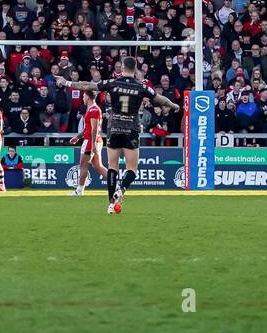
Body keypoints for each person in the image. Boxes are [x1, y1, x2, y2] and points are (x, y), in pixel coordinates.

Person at [59, 56, 180, 215]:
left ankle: (110, 204)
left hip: (114, 129)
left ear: (122, 67)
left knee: (112, 167)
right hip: (131, 130)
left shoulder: (112, 83)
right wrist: (173, 104)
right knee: (132, 169)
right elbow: (160, 99)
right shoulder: (141, 86)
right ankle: (121, 190)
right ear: (135, 69)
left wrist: (67, 82)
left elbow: (89, 85)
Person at [69, 87, 106, 197]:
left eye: (84, 96)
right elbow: (88, 128)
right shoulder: (91, 109)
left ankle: (79, 191)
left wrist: (93, 143)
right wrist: (78, 137)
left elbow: (94, 129)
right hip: (93, 140)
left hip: (91, 141)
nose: (83, 98)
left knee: (83, 165)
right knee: (98, 166)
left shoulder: (93, 109)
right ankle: (116, 185)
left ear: (88, 97)